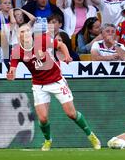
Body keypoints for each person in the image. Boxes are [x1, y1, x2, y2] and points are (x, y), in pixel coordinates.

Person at [6, 23, 101, 151]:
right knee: (43, 118)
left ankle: (91, 136)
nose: (26, 33)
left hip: (56, 80)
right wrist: (11, 74)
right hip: (39, 84)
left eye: (28, 30)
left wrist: (67, 56)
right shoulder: (17, 51)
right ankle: (47, 140)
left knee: (71, 113)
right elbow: (12, 69)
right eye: (22, 32)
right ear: (19, 36)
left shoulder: (41, 40)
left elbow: (60, 45)